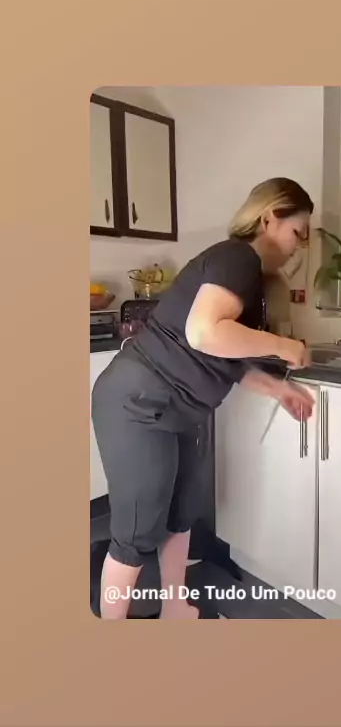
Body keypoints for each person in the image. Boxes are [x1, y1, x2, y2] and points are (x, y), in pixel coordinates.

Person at [91, 177, 315, 619]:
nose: (298, 246)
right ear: (269, 218)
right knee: (135, 532)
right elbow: (203, 332)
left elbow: (225, 356)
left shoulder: (250, 280)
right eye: (297, 231)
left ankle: (176, 609)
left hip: (180, 409)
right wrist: (283, 346)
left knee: (182, 513)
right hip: (139, 402)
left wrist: (278, 388)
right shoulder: (238, 257)